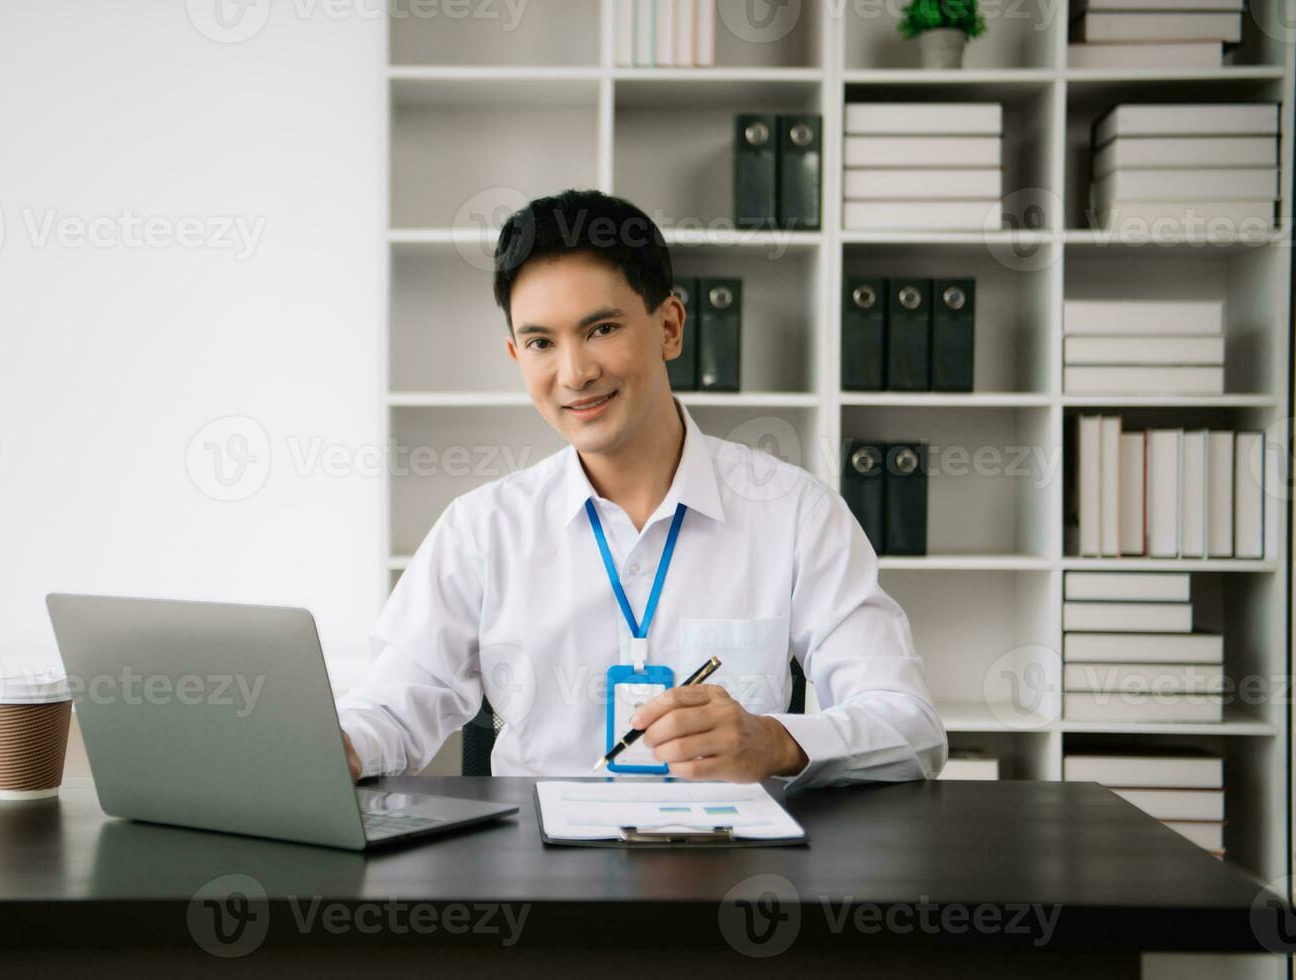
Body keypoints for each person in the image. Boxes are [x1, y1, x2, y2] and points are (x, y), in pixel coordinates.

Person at [337, 189, 945, 788]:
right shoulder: (482, 529)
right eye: (541, 343)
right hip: (537, 872)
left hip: (727, 870)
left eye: (601, 329)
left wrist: (776, 741)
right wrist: (335, 749)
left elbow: (910, 727)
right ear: (516, 354)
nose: (574, 373)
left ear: (670, 328)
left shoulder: (794, 513)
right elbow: (390, 709)